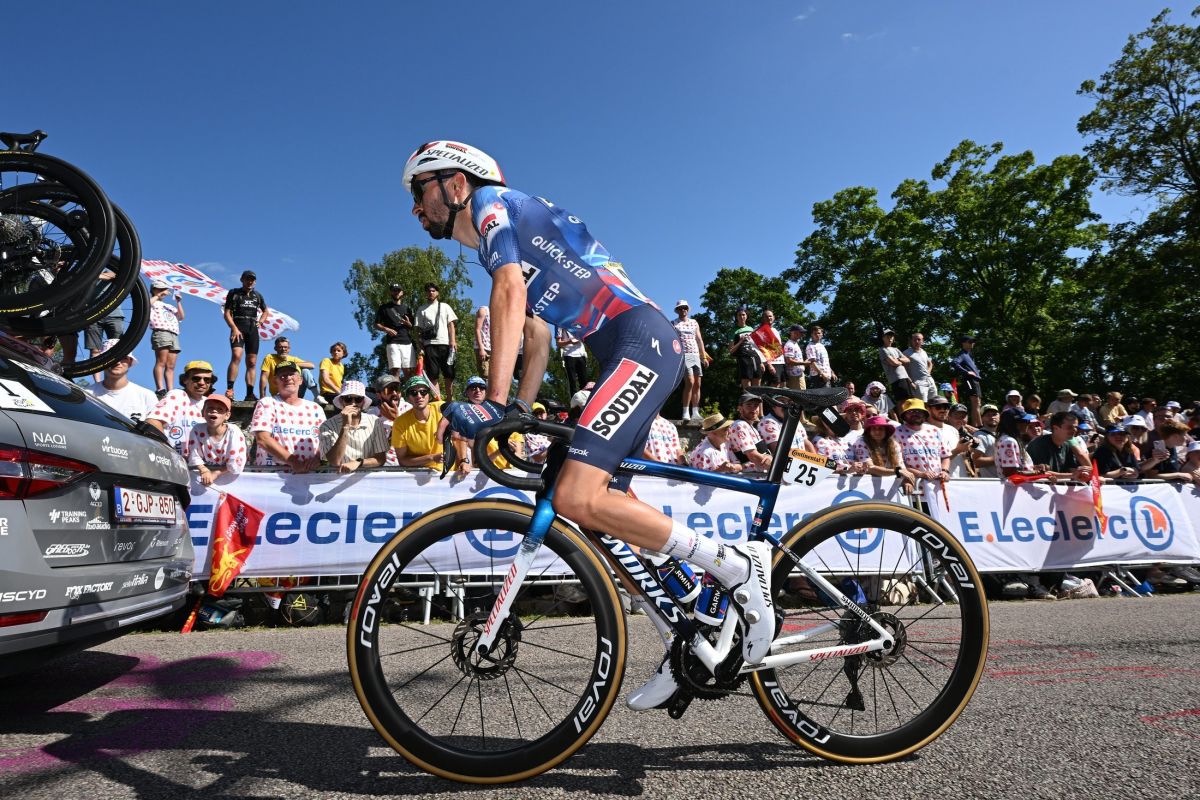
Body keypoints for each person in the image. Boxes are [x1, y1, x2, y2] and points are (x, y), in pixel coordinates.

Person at [402, 140, 774, 713]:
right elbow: (537, 337)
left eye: (419, 189)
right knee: (605, 508)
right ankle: (693, 631)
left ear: (456, 185)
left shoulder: (491, 204)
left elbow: (509, 294)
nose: (414, 207)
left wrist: (495, 404)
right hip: (629, 348)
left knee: (577, 495)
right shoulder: (501, 235)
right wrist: (517, 413)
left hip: (640, 341)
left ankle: (735, 568)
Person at [248, 361, 324, 472]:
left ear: (300, 380)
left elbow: (325, 440)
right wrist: (293, 461)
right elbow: (263, 439)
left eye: (292, 374)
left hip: (310, 476)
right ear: (275, 381)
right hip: (273, 477)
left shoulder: (316, 408)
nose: (288, 378)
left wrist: (317, 458)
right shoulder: (267, 403)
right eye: (282, 375)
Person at [319, 380, 392, 473]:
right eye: (348, 399)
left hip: (368, 480)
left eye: (358, 399)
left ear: (363, 401)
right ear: (341, 401)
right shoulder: (327, 426)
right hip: (338, 479)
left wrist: (359, 462)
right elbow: (335, 461)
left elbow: (380, 459)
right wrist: (345, 426)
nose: (353, 403)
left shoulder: (375, 422)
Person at [147, 360, 214, 457]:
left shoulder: (209, 402)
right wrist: (168, 451)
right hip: (176, 460)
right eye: (196, 378)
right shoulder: (178, 395)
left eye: (207, 380)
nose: (201, 383)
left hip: (200, 462)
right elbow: (153, 422)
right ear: (185, 380)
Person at [223, 270, 269, 402]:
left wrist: (260, 322)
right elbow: (227, 313)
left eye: (252, 279)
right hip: (238, 326)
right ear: (242, 279)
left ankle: (249, 393)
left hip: (252, 328)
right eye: (247, 279)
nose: (250, 282)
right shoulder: (234, 293)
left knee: (252, 362)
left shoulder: (257, 296)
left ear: (255, 282)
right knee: (236, 356)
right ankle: (230, 390)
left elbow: (265, 311)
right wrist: (234, 328)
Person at [84, 342, 156, 422]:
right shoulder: (86, 395)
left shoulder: (147, 396)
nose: (117, 362)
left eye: (123, 357)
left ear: (130, 362)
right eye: (111, 358)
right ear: (102, 361)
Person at [186, 394, 247, 485]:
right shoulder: (197, 429)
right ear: (203, 412)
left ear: (227, 415)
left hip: (229, 477)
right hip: (204, 476)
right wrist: (203, 470)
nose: (214, 411)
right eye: (210, 408)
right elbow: (194, 455)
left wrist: (216, 473)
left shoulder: (233, 431)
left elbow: (235, 461)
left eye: (220, 409)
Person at [390, 375, 446, 469]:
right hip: (420, 474)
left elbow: (459, 438)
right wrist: (431, 458)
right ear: (408, 398)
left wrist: (463, 461)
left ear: (429, 395)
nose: (419, 396)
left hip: (450, 473)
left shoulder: (442, 409)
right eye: (413, 393)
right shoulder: (400, 423)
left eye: (423, 392)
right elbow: (402, 460)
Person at [892, 399, 951, 483]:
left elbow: (945, 456)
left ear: (924, 414)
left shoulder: (935, 430)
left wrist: (945, 471)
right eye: (911, 411)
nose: (915, 414)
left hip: (938, 483)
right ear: (904, 415)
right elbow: (897, 462)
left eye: (919, 411)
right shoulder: (896, 432)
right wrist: (920, 474)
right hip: (912, 482)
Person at [672, 300, 712, 424]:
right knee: (689, 382)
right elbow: (672, 341)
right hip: (684, 355)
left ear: (688, 309)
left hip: (695, 355)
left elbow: (699, 339)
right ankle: (685, 411)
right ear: (677, 310)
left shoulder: (694, 322)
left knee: (697, 384)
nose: (683, 310)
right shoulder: (674, 323)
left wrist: (703, 356)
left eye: (685, 308)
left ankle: (695, 411)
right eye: (680, 308)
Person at [849, 415, 915, 489]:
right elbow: (869, 467)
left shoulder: (894, 444)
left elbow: (900, 466)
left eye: (880, 429)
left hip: (889, 485)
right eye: (874, 429)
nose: (877, 432)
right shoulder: (861, 442)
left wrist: (906, 480)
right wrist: (897, 471)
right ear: (869, 431)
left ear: (886, 431)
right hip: (866, 486)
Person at [1025, 411, 1092, 484]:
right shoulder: (1038, 445)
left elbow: (1071, 469)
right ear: (1055, 428)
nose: (1074, 430)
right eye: (1069, 427)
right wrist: (1073, 475)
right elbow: (1042, 473)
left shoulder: (1067, 444)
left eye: (1076, 427)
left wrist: (1083, 474)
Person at [417, 283, 458, 400]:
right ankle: (438, 400)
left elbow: (451, 325)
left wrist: (453, 341)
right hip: (429, 345)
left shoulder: (445, 306)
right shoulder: (421, 309)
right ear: (426, 293)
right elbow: (418, 330)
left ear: (437, 292)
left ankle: (450, 399)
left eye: (433, 290)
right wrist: (420, 347)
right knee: (433, 374)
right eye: (428, 291)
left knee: (449, 373)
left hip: (445, 344)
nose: (431, 293)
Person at [148, 281, 184, 397]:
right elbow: (146, 305)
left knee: (171, 365)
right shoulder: (152, 302)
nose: (162, 291)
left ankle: (170, 390)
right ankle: (160, 388)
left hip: (174, 333)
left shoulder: (169, 306)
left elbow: (181, 317)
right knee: (161, 362)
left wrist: (178, 302)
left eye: (164, 289)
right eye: (159, 289)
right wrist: (158, 295)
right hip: (161, 331)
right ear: (153, 290)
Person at [375, 284, 418, 380]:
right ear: (390, 292)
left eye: (398, 290)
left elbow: (413, 327)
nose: (396, 292)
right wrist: (386, 329)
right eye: (394, 290)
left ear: (402, 293)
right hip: (393, 342)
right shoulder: (384, 308)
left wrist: (408, 324)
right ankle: (396, 390)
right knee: (395, 371)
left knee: (408, 371)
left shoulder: (407, 309)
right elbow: (376, 324)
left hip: (407, 343)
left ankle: (409, 390)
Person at [260, 337, 321, 402]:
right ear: (275, 348)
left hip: (295, 392)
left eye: (285, 347)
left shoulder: (293, 359)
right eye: (280, 347)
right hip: (279, 393)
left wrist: (291, 364)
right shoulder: (269, 358)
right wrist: (262, 396)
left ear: (289, 349)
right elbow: (264, 377)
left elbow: (312, 365)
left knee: (305, 371)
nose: (283, 349)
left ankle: (317, 396)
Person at [727, 393, 774, 472]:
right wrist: (777, 467)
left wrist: (769, 457)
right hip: (751, 476)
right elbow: (753, 455)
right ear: (740, 408)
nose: (753, 409)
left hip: (759, 474)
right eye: (749, 405)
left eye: (756, 405)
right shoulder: (740, 425)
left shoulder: (750, 425)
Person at [950, 335, 982, 427]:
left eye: (973, 342)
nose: (972, 343)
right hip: (970, 380)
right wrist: (966, 372)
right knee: (975, 403)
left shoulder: (969, 355)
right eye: (970, 342)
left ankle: (976, 426)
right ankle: (980, 427)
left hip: (975, 380)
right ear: (963, 343)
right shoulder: (962, 354)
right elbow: (954, 362)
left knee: (978, 404)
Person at [728, 307, 763, 388]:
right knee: (747, 388)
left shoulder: (751, 329)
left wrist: (761, 362)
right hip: (743, 360)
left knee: (757, 385)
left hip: (755, 358)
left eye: (743, 315)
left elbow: (757, 347)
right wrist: (740, 341)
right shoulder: (733, 331)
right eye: (739, 315)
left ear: (746, 316)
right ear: (736, 317)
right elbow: (731, 350)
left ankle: (758, 398)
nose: (742, 317)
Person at [878, 329, 913, 402]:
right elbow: (894, 363)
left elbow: (907, 360)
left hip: (905, 378)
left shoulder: (896, 349)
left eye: (891, 336)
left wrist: (898, 359)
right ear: (883, 338)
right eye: (887, 336)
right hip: (896, 379)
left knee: (909, 400)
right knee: (902, 401)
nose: (890, 338)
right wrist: (900, 361)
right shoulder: (883, 350)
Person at [556, 325, 589, 397]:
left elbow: (586, 334)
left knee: (584, 381)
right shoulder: (559, 324)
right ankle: (574, 402)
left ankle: (585, 401)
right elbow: (558, 343)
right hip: (569, 355)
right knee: (572, 382)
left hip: (581, 354)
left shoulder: (578, 321)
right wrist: (570, 342)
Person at [903, 332, 937, 402]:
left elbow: (930, 363)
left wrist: (928, 373)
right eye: (914, 340)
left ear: (922, 341)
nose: (916, 341)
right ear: (911, 341)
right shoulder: (906, 353)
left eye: (919, 339)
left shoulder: (923, 352)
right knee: (922, 404)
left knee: (934, 403)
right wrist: (910, 382)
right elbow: (903, 369)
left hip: (930, 381)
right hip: (918, 382)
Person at [972, 404, 1001, 478]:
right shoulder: (980, 436)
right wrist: (1001, 457)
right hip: (993, 481)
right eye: (988, 415)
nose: (992, 417)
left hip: (1009, 479)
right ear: (982, 418)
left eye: (994, 414)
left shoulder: (1004, 433)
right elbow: (977, 462)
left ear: (999, 416)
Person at [805, 324, 835, 388]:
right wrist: (822, 374)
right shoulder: (810, 346)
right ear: (812, 335)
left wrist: (832, 372)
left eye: (819, 333)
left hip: (826, 376)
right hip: (818, 377)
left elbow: (825, 362)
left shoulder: (822, 346)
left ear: (822, 334)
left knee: (828, 394)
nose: (817, 335)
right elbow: (812, 362)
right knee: (822, 394)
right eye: (815, 333)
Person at [782, 324, 808, 391]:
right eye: (800, 332)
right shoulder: (790, 345)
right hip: (795, 376)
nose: (802, 334)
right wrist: (804, 363)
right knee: (800, 395)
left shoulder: (795, 343)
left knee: (801, 394)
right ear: (793, 332)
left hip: (798, 375)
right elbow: (789, 361)